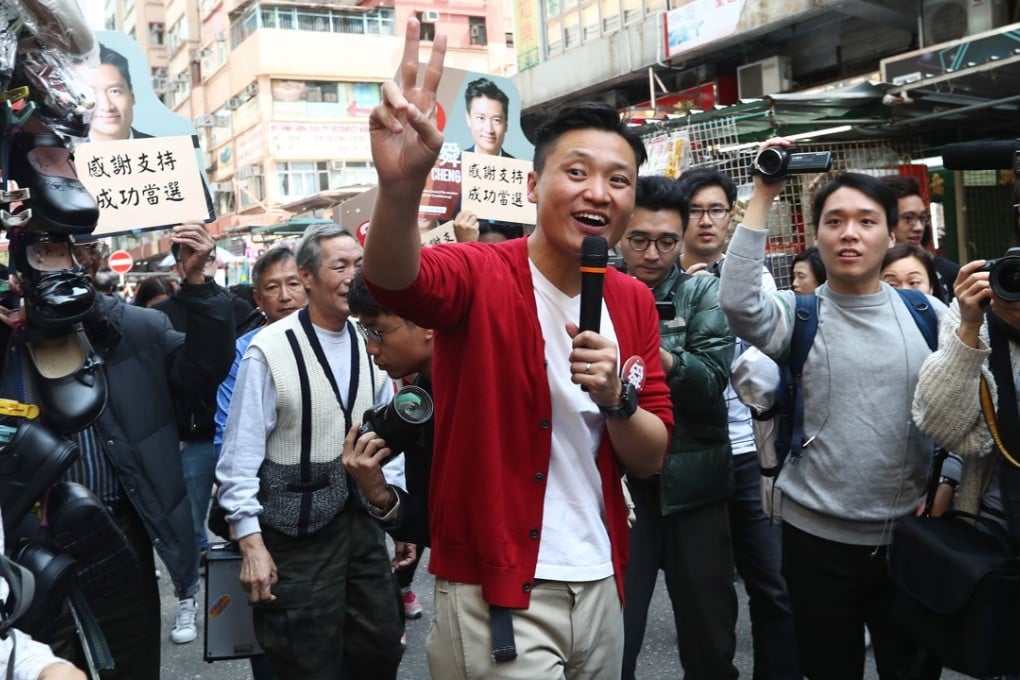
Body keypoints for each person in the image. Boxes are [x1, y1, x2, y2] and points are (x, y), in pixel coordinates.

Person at [363, 19, 672, 678]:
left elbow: (650, 454)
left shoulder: (633, 300)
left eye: (619, 181)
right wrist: (399, 188)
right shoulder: (479, 271)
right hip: (496, 586)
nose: (599, 192)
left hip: (600, 577)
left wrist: (618, 399)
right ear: (532, 187)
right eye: (578, 172)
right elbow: (394, 280)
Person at [719, 143, 946, 679]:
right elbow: (737, 300)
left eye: (866, 221)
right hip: (815, 541)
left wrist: (952, 477)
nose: (849, 233)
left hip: (911, 539)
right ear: (815, 236)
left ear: (890, 236)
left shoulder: (927, 315)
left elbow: (965, 405)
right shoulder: (796, 316)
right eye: (835, 221)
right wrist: (763, 194)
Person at [0, 223, 235, 679]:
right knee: (44, 665)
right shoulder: (8, 338)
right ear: (17, 273)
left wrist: (199, 285)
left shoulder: (135, 328)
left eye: (69, 252)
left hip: (115, 534)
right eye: (40, 255)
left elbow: (203, 370)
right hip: (27, 546)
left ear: (91, 258)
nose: (59, 266)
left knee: (131, 664)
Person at [216, 224, 403, 679]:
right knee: (305, 659)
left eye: (360, 265)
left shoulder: (372, 341)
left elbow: (389, 439)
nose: (353, 277)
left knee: (379, 649)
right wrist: (251, 544)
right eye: (340, 266)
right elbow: (239, 457)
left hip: (362, 531)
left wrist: (398, 510)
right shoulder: (268, 349)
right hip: (294, 537)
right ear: (307, 277)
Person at [676, 166, 802, 679]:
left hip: (751, 449)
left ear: (732, 216)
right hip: (689, 452)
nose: (706, 221)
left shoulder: (756, 278)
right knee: (705, 595)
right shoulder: (666, 279)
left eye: (717, 210)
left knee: (773, 583)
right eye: (695, 210)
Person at [617, 175, 738, 679]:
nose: (653, 253)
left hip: (695, 489)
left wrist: (648, 346)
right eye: (640, 240)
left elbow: (710, 383)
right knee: (615, 635)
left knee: (710, 639)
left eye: (667, 241)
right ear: (621, 235)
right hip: (620, 491)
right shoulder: (595, 290)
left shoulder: (702, 291)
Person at [211, 246, 306, 680]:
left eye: (293, 283)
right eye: (272, 287)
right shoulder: (245, 352)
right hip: (267, 512)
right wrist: (242, 515)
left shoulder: (347, 337)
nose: (285, 295)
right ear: (257, 298)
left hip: (334, 516)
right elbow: (226, 438)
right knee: (271, 630)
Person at [152, 241, 253, 645]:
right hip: (192, 439)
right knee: (187, 524)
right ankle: (188, 598)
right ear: (179, 263)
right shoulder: (160, 316)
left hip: (240, 434)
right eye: (192, 257)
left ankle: (252, 595)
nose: (202, 264)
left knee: (246, 517)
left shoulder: (238, 308)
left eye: (209, 257)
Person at [343, 271, 434, 620]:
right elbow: (440, 526)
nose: (370, 347)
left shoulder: (478, 392)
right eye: (365, 332)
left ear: (428, 323)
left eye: (377, 331)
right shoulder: (421, 395)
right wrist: (382, 497)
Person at [879, 174, 958, 302]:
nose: (919, 227)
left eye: (922, 218)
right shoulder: (864, 271)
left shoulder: (949, 272)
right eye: (908, 218)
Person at [85, 45, 152, 142]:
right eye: (90, 94)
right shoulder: (64, 155)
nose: (107, 107)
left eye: (114, 91)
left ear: (132, 95)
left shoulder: (165, 150)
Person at [462, 77, 512, 157]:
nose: (489, 130)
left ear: (506, 124)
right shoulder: (454, 166)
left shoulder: (518, 167)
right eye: (481, 118)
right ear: (468, 119)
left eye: (496, 120)